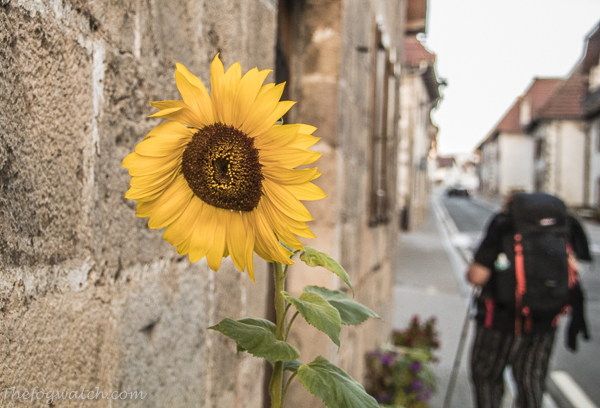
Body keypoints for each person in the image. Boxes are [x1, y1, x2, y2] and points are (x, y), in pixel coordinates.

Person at [465, 193, 591, 408]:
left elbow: (477, 276)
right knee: (531, 381)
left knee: (487, 378)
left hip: (499, 322)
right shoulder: (564, 227)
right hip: (544, 321)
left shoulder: (504, 225)